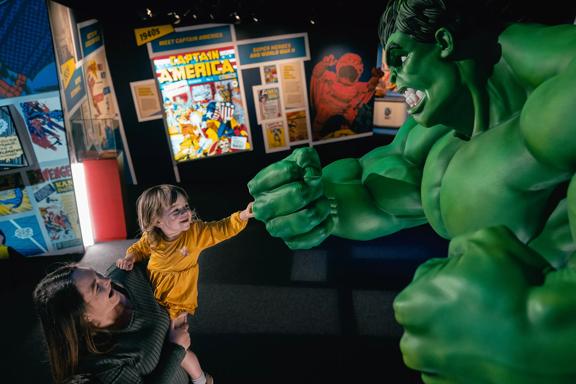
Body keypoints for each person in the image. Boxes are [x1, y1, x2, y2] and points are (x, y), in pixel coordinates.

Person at [247, 0, 576, 383]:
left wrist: (548, 340)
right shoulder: (437, 130)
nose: (392, 81)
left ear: (444, 41)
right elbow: (373, 192)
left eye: (400, 59)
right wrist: (315, 199)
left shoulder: (554, 102)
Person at [115, 184, 254, 383]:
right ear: (156, 221)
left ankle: (202, 379)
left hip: (177, 303)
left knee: (177, 348)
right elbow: (139, 248)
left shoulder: (195, 234)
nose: (186, 212)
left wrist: (241, 216)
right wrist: (130, 257)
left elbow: (220, 228)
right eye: (176, 210)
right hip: (154, 298)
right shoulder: (152, 238)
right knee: (158, 341)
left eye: (186, 206)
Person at [33, 261, 196, 383]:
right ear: (83, 316)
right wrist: (176, 349)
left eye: (97, 274)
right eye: (96, 288)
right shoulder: (102, 363)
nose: (106, 281)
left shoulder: (127, 274)